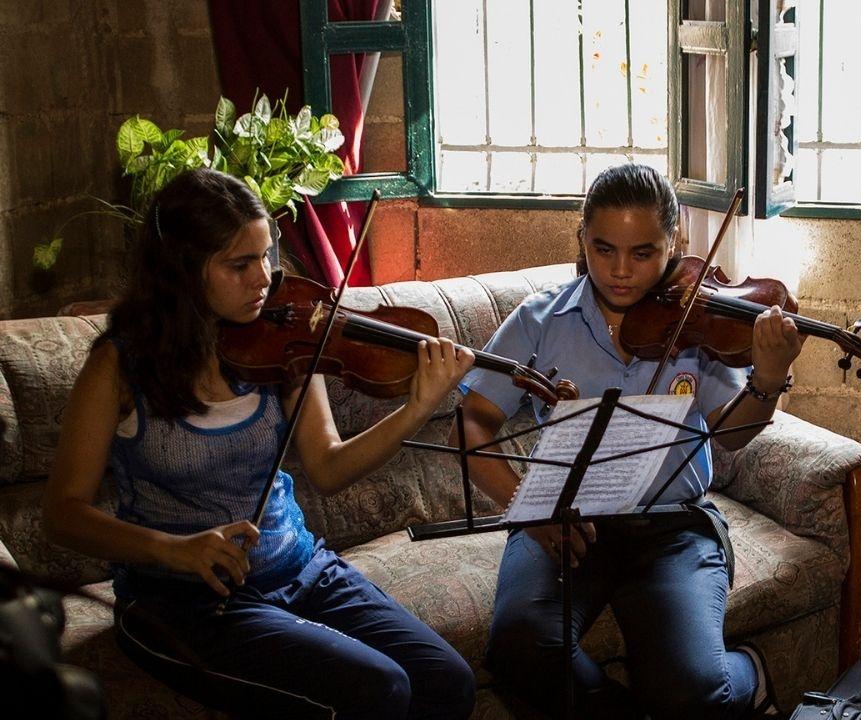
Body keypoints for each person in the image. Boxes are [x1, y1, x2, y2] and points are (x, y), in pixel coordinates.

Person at [42, 168, 477, 720]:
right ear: (183, 269)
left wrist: (416, 409)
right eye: (240, 264)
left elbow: (329, 467)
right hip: (181, 603)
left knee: (447, 680)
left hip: (300, 570)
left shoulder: (284, 341)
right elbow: (62, 514)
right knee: (379, 688)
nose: (265, 280)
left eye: (268, 257)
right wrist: (172, 548)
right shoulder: (120, 366)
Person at [456, 163, 803, 719]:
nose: (621, 272)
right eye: (603, 249)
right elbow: (473, 421)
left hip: (672, 528)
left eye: (643, 253)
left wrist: (766, 378)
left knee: (690, 692)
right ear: (582, 241)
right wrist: (529, 507)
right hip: (566, 522)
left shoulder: (699, 321)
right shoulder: (540, 320)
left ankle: (749, 671)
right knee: (518, 648)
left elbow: (733, 436)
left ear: (675, 242)